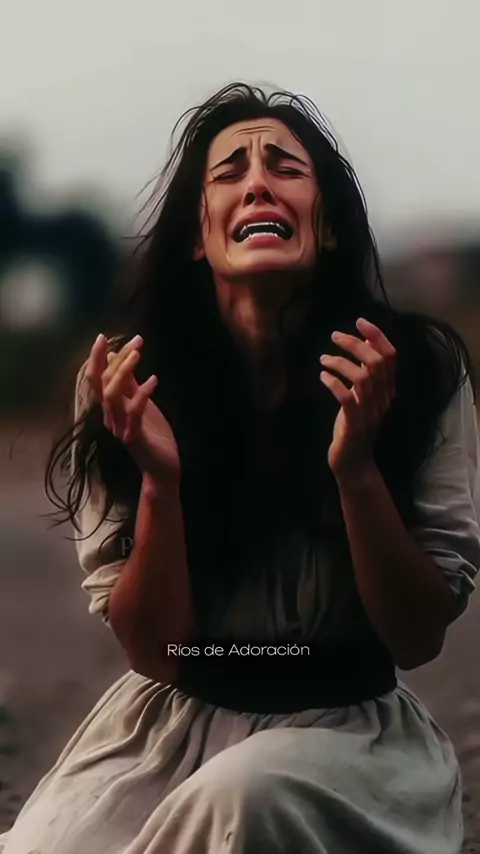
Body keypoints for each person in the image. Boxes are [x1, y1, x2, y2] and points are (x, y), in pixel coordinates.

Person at [1, 82, 479, 854]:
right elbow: (157, 653)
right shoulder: (128, 382)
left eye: (286, 167)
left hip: (348, 734)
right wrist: (161, 484)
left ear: (328, 227)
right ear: (200, 237)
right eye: (229, 173)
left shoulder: (416, 371)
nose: (258, 182)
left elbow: (417, 634)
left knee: (244, 797)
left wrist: (357, 470)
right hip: (166, 733)